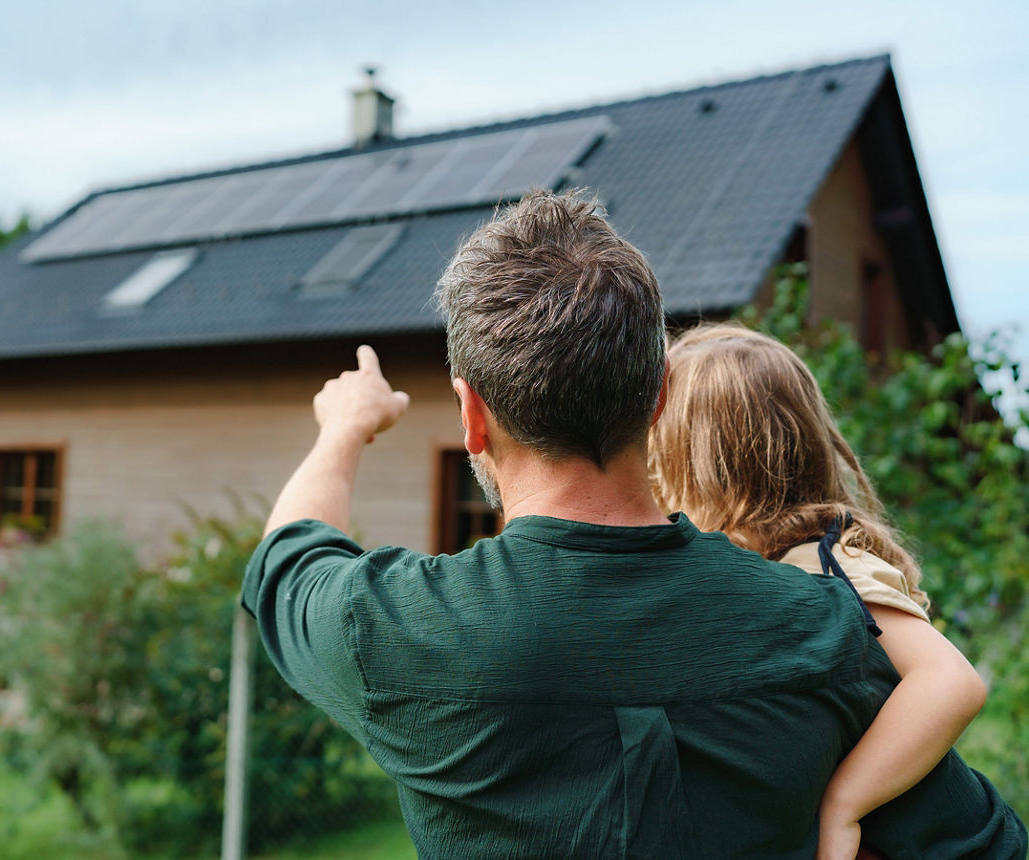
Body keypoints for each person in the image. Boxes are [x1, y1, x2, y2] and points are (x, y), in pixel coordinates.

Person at [242, 189, 1026, 858]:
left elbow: (286, 554)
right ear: (655, 402)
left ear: (472, 417)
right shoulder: (823, 628)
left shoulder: (391, 628)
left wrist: (345, 427)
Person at [647, 322, 992, 859]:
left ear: (699, 466)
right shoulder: (766, 566)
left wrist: (844, 804)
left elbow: (951, 681)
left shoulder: (827, 564)